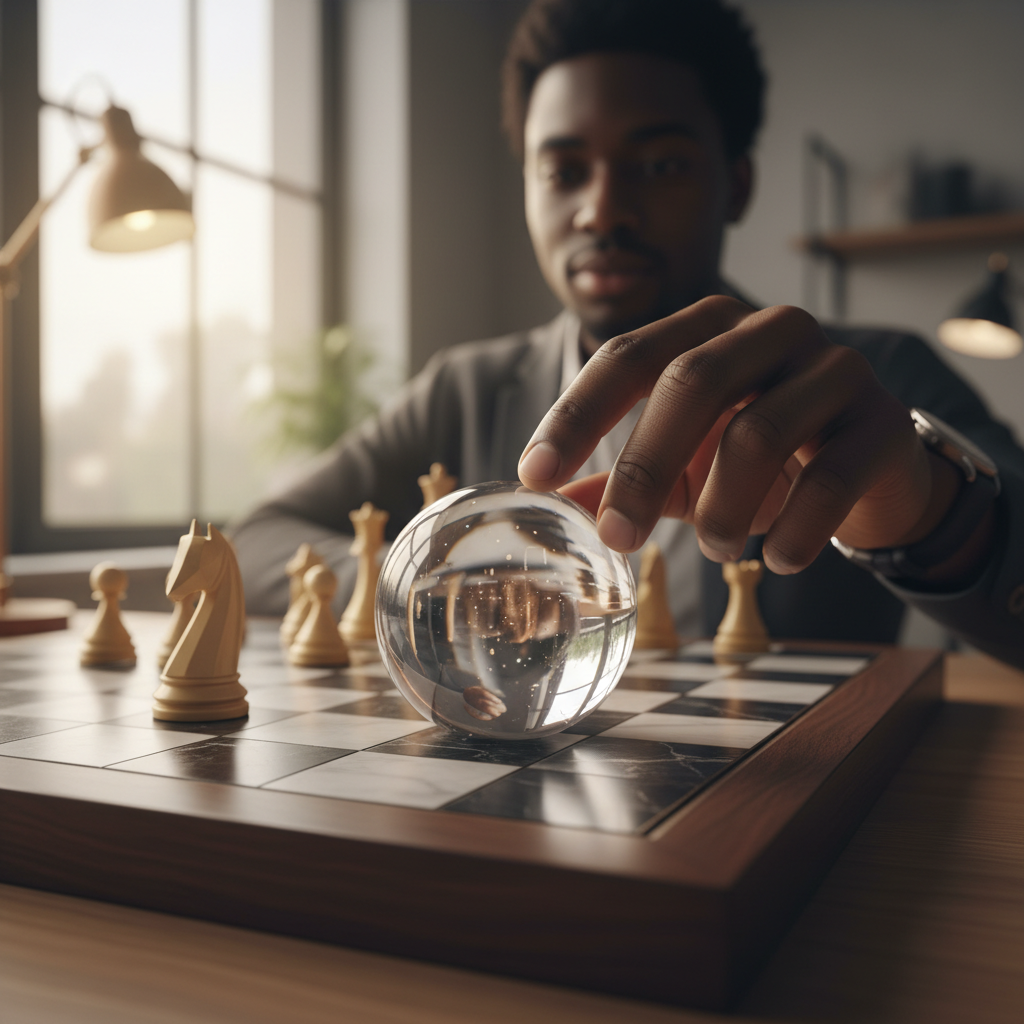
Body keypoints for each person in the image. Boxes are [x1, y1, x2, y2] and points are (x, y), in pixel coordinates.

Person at [233, 0, 1024, 669]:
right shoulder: (464, 388)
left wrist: (933, 517)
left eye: (661, 166)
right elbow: (252, 543)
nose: (602, 211)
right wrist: (442, 580)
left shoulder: (875, 379)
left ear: (736, 183)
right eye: (564, 170)